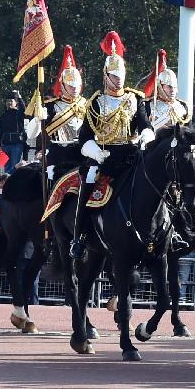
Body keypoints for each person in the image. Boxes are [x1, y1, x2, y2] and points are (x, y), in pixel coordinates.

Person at [71, 31, 153, 259]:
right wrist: (96, 153)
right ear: (106, 75)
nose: (119, 79)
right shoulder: (96, 102)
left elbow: (145, 124)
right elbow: (84, 136)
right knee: (87, 186)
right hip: (104, 157)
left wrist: (146, 136)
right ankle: (80, 237)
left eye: (121, 75)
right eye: (115, 76)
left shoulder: (135, 99)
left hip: (131, 154)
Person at [42, 45, 86, 183]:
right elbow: (34, 134)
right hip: (58, 152)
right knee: (51, 180)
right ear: (63, 85)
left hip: (80, 152)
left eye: (77, 86)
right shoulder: (51, 105)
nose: (75, 89)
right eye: (71, 86)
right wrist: (38, 119)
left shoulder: (86, 104)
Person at [148, 66, 190, 132]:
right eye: (169, 87)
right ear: (160, 87)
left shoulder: (183, 106)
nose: (173, 90)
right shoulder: (148, 104)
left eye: (175, 87)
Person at [0, 91, 27, 174]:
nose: (9, 103)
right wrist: (0, 144)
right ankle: (7, 183)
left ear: (16, 103)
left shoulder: (19, 114)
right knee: (6, 168)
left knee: (15, 166)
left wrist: (19, 97)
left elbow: (24, 109)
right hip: (5, 145)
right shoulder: (3, 116)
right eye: (7, 101)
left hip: (16, 145)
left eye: (11, 101)